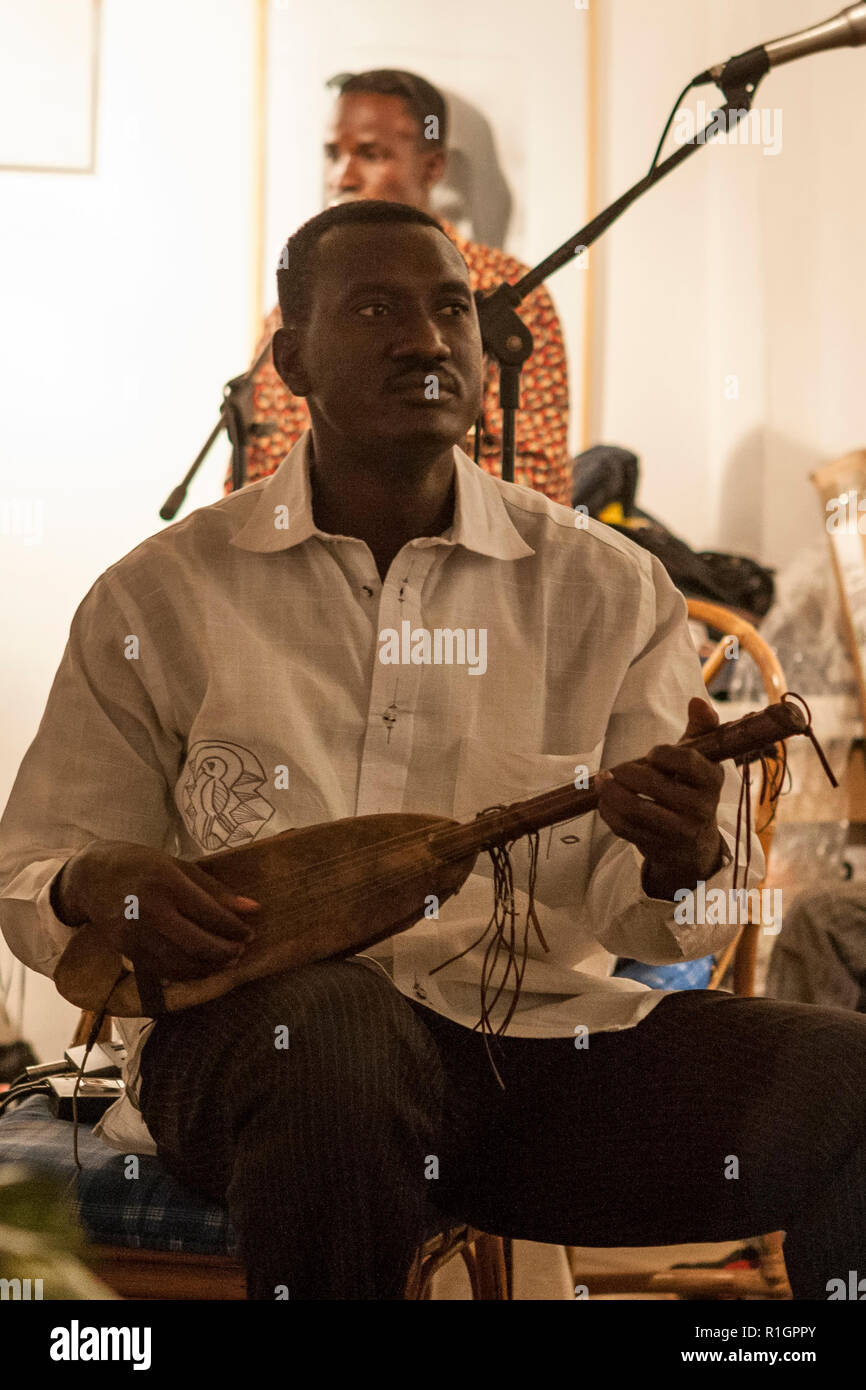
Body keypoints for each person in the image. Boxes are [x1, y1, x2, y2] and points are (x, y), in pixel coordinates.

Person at [3, 202, 866, 1302]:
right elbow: (35, 869)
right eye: (374, 309)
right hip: (258, 1061)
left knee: (851, 1081)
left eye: (450, 309)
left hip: (529, 1060)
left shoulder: (602, 584)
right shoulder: (164, 593)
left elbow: (643, 920)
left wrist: (680, 855)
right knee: (335, 1034)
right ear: (291, 357)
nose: (426, 340)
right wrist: (97, 880)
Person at [230, 68, 572, 505]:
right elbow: (257, 468)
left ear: (432, 166)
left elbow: (534, 478)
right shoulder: (302, 296)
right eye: (334, 154)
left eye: (370, 154)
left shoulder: (508, 294)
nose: (342, 177)